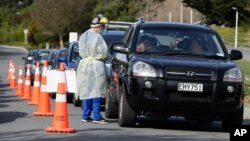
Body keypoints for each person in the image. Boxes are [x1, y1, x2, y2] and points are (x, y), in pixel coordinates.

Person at [76, 15, 109, 124]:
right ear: (99, 26)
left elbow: (80, 51)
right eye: (102, 27)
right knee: (96, 91)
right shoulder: (98, 37)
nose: (102, 29)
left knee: (86, 91)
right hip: (96, 66)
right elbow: (104, 52)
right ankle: (96, 116)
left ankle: (85, 116)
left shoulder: (83, 36)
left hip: (84, 65)